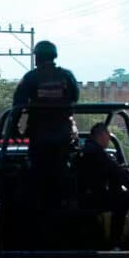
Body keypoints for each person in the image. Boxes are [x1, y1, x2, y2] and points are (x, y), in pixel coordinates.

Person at [12, 40, 79, 202]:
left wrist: (14, 128)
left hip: (39, 139)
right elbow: (75, 97)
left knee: (36, 176)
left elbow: (18, 105)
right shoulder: (67, 76)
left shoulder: (30, 78)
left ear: (37, 57)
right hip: (64, 137)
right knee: (65, 170)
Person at [77, 123, 129, 248]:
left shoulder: (87, 150)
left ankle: (115, 240)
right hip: (95, 198)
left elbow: (112, 170)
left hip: (87, 197)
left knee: (120, 200)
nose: (108, 139)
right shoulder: (96, 152)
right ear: (102, 135)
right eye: (108, 136)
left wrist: (125, 171)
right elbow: (115, 171)